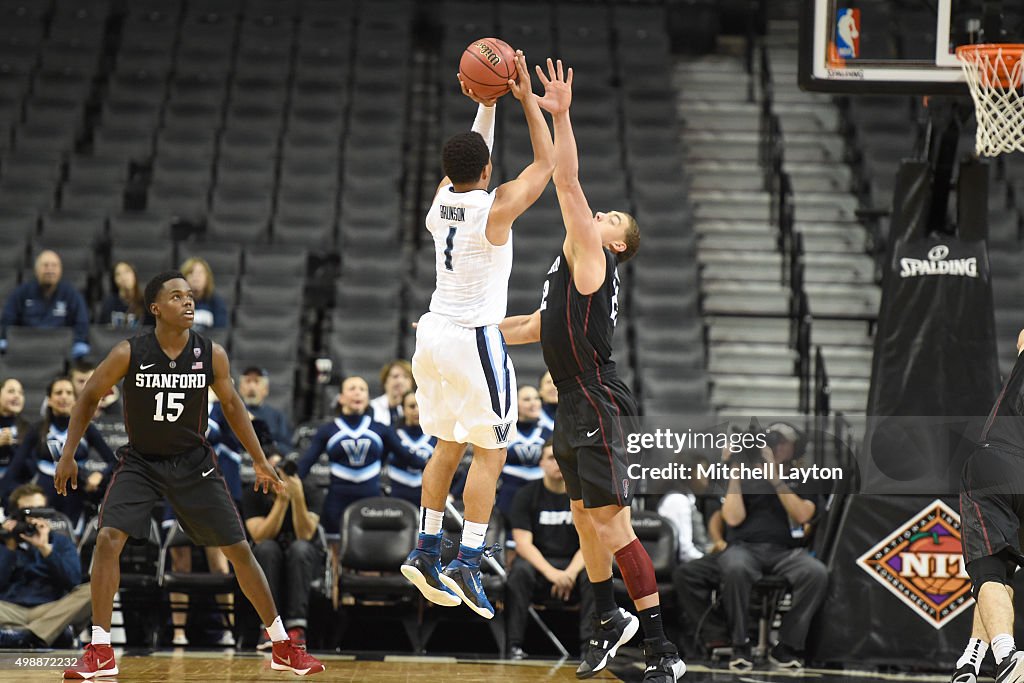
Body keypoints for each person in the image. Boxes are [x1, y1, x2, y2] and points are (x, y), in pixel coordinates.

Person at [498, 60, 682, 682]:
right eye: (601, 215)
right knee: (583, 516)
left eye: (612, 221)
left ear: (618, 244)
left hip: (598, 399)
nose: (598, 215)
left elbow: (566, 183)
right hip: (572, 400)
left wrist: (561, 114)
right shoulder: (567, 274)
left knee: (613, 523)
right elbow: (529, 328)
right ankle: (606, 616)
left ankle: (662, 650)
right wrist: (462, 332)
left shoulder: (592, 261)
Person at [54, 270, 323, 678]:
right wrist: (69, 453)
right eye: (177, 296)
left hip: (194, 462)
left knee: (238, 549)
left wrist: (260, 458)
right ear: (156, 308)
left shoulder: (211, 353)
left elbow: (232, 405)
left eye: (190, 295)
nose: (188, 302)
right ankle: (101, 648)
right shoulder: (130, 351)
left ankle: (282, 643)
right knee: (108, 538)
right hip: (142, 462)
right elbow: (89, 396)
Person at [401, 49, 555, 622]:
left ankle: (424, 546)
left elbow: (472, 154)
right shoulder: (496, 209)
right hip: (473, 338)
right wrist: (521, 99)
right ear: (488, 172)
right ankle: (467, 558)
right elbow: (546, 161)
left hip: (432, 333)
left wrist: (485, 104)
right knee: (491, 451)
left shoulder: (441, 199)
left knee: (447, 445)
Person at [950, 328, 1024, 683]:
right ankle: (970, 660)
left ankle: (1007, 658)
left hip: (998, 462)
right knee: (1003, 569)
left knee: (989, 571)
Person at [506, 440, 593, 660]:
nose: (557, 464)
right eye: (551, 458)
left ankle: (590, 648)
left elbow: (591, 542)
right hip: (539, 565)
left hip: (574, 564)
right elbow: (523, 544)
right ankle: (513, 645)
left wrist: (570, 573)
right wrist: (553, 574)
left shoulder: (583, 496)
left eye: (562, 458)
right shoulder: (526, 495)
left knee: (596, 574)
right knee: (519, 572)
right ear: (541, 463)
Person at [2, 377, 115, 530]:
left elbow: (113, 462)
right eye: (58, 393)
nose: (64, 397)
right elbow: (13, 471)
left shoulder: (87, 428)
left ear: (76, 399)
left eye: (69, 393)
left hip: (76, 496)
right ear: (49, 400)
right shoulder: (37, 430)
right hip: (44, 497)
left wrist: (100, 475)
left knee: (73, 537)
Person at [297, 376, 397, 538]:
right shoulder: (327, 430)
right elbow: (306, 463)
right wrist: (286, 481)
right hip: (337, 501)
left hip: (371, 500)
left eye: (362, 389)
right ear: (341, 398)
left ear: (367, 398)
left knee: (371, 550)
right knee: (335, 551)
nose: (357, 393)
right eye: (352, 389)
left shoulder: (382, 430)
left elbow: (407, 457)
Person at [244, 460, 324, 651]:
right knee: (266, 548)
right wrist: (282, 501)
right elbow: (260, 535)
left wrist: (296, 498)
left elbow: (305, 534)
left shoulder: (310, 490)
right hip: (269, 559)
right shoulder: (252, 493)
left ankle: (297, 628)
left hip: (303, 562)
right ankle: (270, 628)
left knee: (300, 548)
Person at [0, 483, 92, 648]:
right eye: (28, 511)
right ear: (14, 515)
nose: (34, 517)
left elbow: (73, 581)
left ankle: (23, 635)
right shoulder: (5, 541)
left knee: (93, 591)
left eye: (40, 510)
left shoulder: (60, 542)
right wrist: (9, 548)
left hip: (49, 608)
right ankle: (47, 634)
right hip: (9, 609)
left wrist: (46, 549)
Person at [0, 250, 91, 358]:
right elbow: (7, 321)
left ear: (60, 270)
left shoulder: (71, 294)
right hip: (26, 349)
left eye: (54, 266)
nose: (50, 270)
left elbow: (81, 324)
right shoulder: (21, 293)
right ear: (36, 270)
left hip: (60, 350)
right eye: (45, 265)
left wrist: (75, 343)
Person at [496, 385, 553, 520]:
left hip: (541, 498)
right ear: (515, 404)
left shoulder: (549, 433)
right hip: (507, 500)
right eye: (527, 399)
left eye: (536, 398)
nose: (533, 403)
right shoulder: (504, 432)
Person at [386, 391, 436, 506]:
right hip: (397, 497)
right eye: (412, 406)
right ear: (403, 409)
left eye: (421, 406)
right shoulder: (391, 435)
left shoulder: (435, 437)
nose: (417, 410)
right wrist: (427, 463)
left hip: (426, 497)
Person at [237, 366, 292, 455]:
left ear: (265, 389)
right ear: (240, 387)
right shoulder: (230, 414)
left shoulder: (277, 417)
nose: (252, 386)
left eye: (256, 381)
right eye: (248, 381)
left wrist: (273, 452)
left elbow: (286, 447)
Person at [180, 257, 228, 332]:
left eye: (200, 273)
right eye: (191, 273)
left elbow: (220, 334)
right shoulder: (176, 303)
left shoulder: (217, 303)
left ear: (207, 278)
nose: (195, 277)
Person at [98, 261, 146, 329]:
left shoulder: (145, 302)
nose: (123, 277)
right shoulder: (109, 302)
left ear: (134, 274)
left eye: (127, 271)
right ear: (114, 280)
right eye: (118, 274)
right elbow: (101, 331)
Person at [0, 378, 27, 489]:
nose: (17, 396)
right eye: (11, 391)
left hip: (16, 491)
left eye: (21, 393)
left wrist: (13, 446)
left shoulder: (28, 429)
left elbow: (30, 468)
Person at [370, 360, 414, 426]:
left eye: (406, 376)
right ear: (385, 381)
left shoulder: (420, 409)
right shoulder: (372, 407)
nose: (400, 381)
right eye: (395, 376)